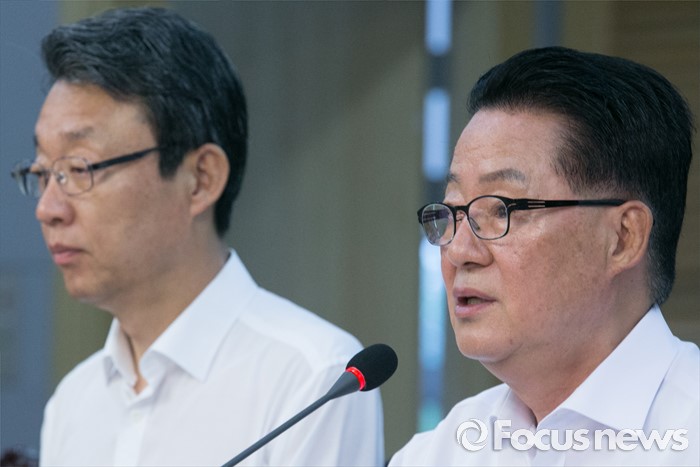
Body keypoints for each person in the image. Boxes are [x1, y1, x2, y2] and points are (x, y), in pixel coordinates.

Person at [10, 7, 384, 466]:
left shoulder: (313, 379)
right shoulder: (73, 401)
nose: (47, 208)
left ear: (201, 179)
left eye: (79, 168)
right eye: (42, 173)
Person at [391, 46, 698, 466]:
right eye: (453, 211)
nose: (459, 251)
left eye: (501, 209)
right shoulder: (438, 454)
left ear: (623, 238)